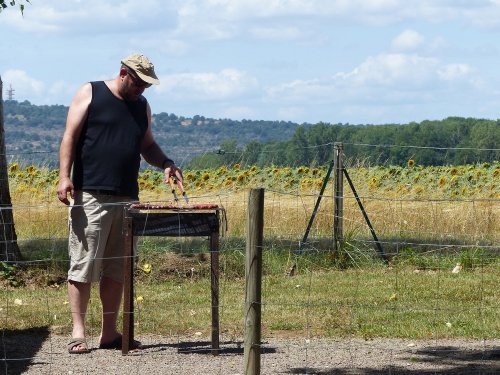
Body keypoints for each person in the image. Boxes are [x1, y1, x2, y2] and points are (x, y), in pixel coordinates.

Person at [57, 53, 183, 354]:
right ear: (123, 73)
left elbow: (147, 145)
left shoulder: (142, 107)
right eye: (139, 84)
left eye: (146, 87)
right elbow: (70, 137)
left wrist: (165, 162)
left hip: (128, 199)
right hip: (90, 195)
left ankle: (109, 333)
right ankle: (78, 333)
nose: (142, 90)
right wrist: (64, 176)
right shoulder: (91, 92)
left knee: (118, 269)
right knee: (83, 265)